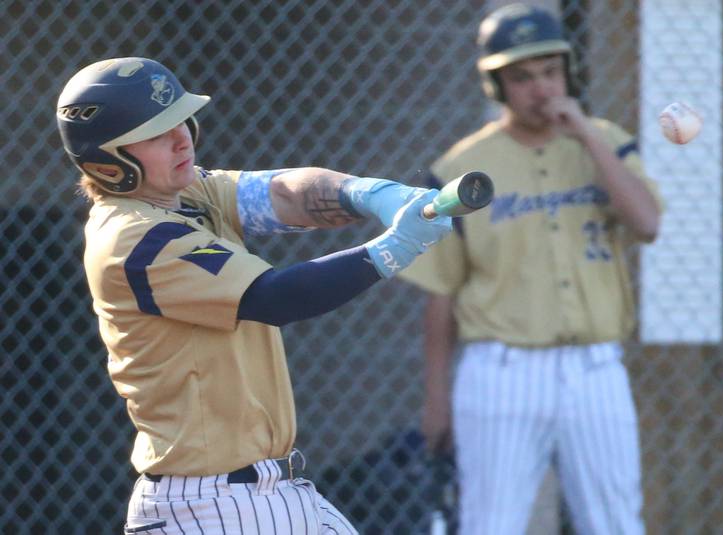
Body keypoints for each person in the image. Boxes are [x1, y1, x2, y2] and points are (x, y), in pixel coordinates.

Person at [55, 56, 452, 535]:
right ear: (108, 161)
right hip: (208, 504)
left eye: (181, 120)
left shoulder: (188, 192)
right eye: (158, 133)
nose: (183, 138)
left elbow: (285, 193)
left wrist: (375, 194)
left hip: (268, 491)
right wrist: (391, 249)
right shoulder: (133, 239)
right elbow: (276, 297)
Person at [399, 4, 662, 535]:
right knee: (488, 524)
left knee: (616, 523)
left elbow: (648, 224)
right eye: (522, 78)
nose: (541, 89)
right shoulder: (458, 170)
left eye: (550, 72)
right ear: (497, 87)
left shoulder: (605, 142)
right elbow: (441, 293)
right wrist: (436, 399)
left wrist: (587, 135)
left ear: (568, 72)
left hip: (595, 368)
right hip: (501, 371)